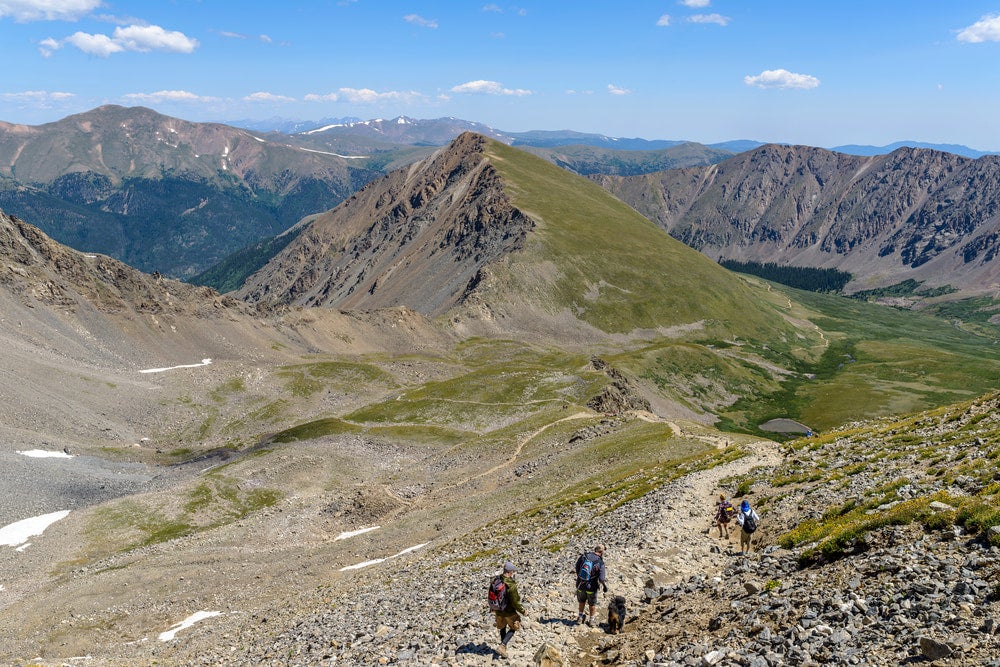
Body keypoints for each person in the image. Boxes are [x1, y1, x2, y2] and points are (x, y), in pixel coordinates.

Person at [493, 561, 526, 659]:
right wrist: (523, 610)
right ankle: (503, 645)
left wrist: (492, 607)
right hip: (509, 611)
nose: (513, 573)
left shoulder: (496, 580)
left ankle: (503, 651)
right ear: (510, 571)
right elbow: (515, 601)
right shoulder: (511, 585)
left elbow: (492, 594)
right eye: (513, 571)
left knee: (502, 627)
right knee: (515, 626)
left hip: (498, 610)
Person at [575, 544, 607, 627]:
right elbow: (602, 578)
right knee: (592, 604)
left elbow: (577, 567)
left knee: (581, 601)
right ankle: (591, 620)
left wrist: (580, 577)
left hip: (580, 585)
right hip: (591, 587)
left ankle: (580, 617)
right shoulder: (600, 562)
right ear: (601, 552)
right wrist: (604, 586)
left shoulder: (584, 556)